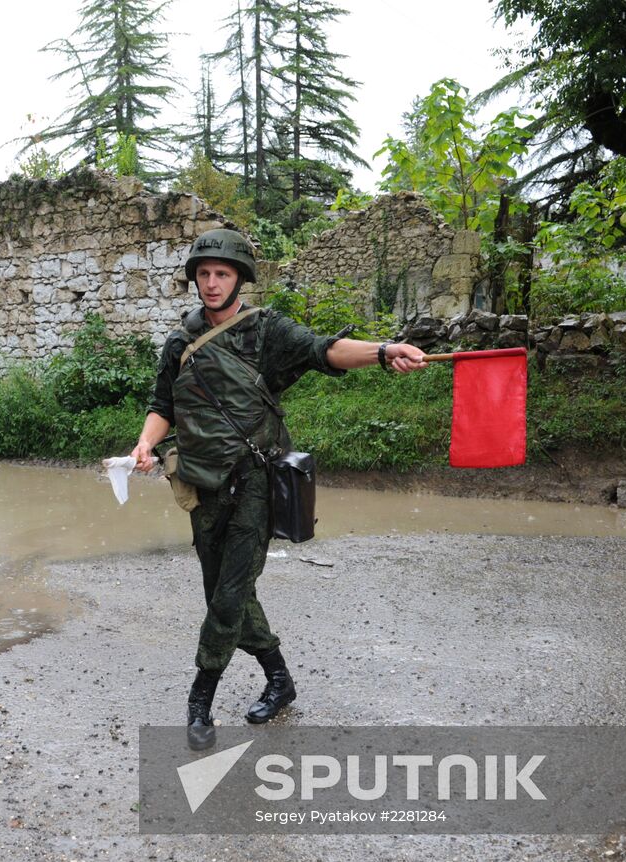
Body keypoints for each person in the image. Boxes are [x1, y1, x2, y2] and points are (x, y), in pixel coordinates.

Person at [129, 229, 427, 751]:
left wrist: (382, 351)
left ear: (240, 278)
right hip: (201, 486)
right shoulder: (180, 342)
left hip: (253, 486)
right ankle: (281, 680)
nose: (212, 283)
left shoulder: (265, 332)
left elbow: (324, 350)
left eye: (222, 273)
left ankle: (200, 699)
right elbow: (163, 405)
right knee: (227, 592)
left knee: (228, 596)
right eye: (204, 273)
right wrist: (145, 444)